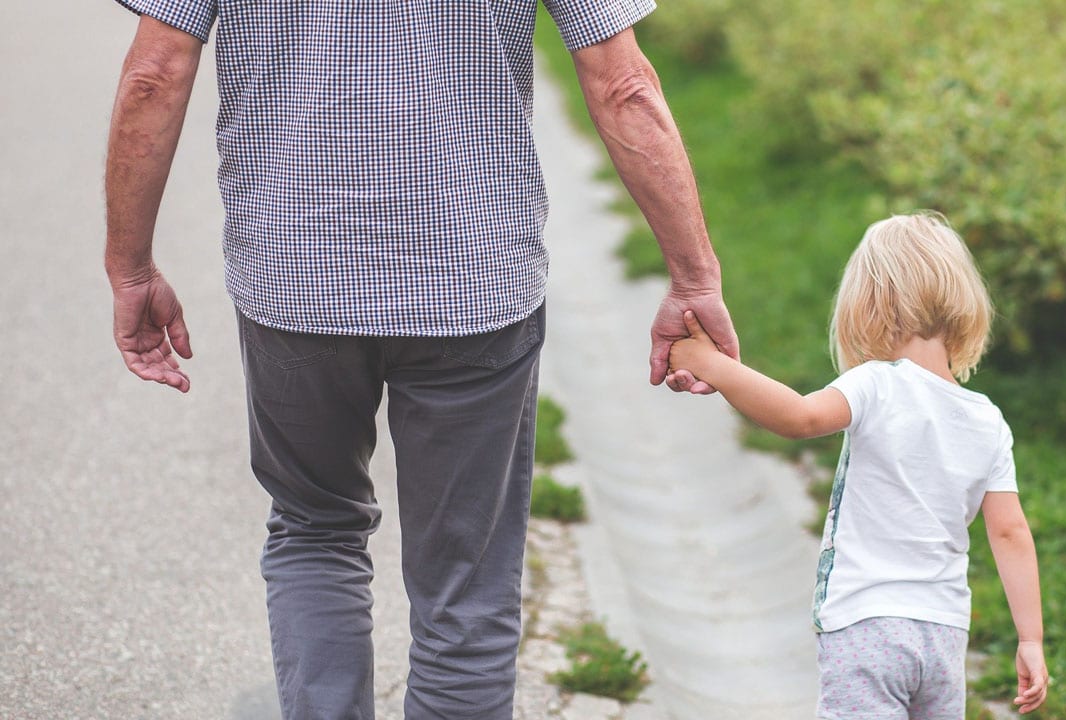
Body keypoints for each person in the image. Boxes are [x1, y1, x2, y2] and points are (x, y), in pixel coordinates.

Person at [103, 1, 737, 718]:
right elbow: (622, 83)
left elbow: (154, 74)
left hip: (297, 280)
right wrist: (693, 276)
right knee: (466, 582)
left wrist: (131, 268)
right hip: (474, 283)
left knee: (315, 530)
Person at [668, 212, 1049, 718]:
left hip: (866, 627)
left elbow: (800, 417)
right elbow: (1010, 533)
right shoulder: (986, 419)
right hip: (943, 634)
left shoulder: (876, 382)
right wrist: (1031, 640)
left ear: (870, 306)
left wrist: (715, 365)